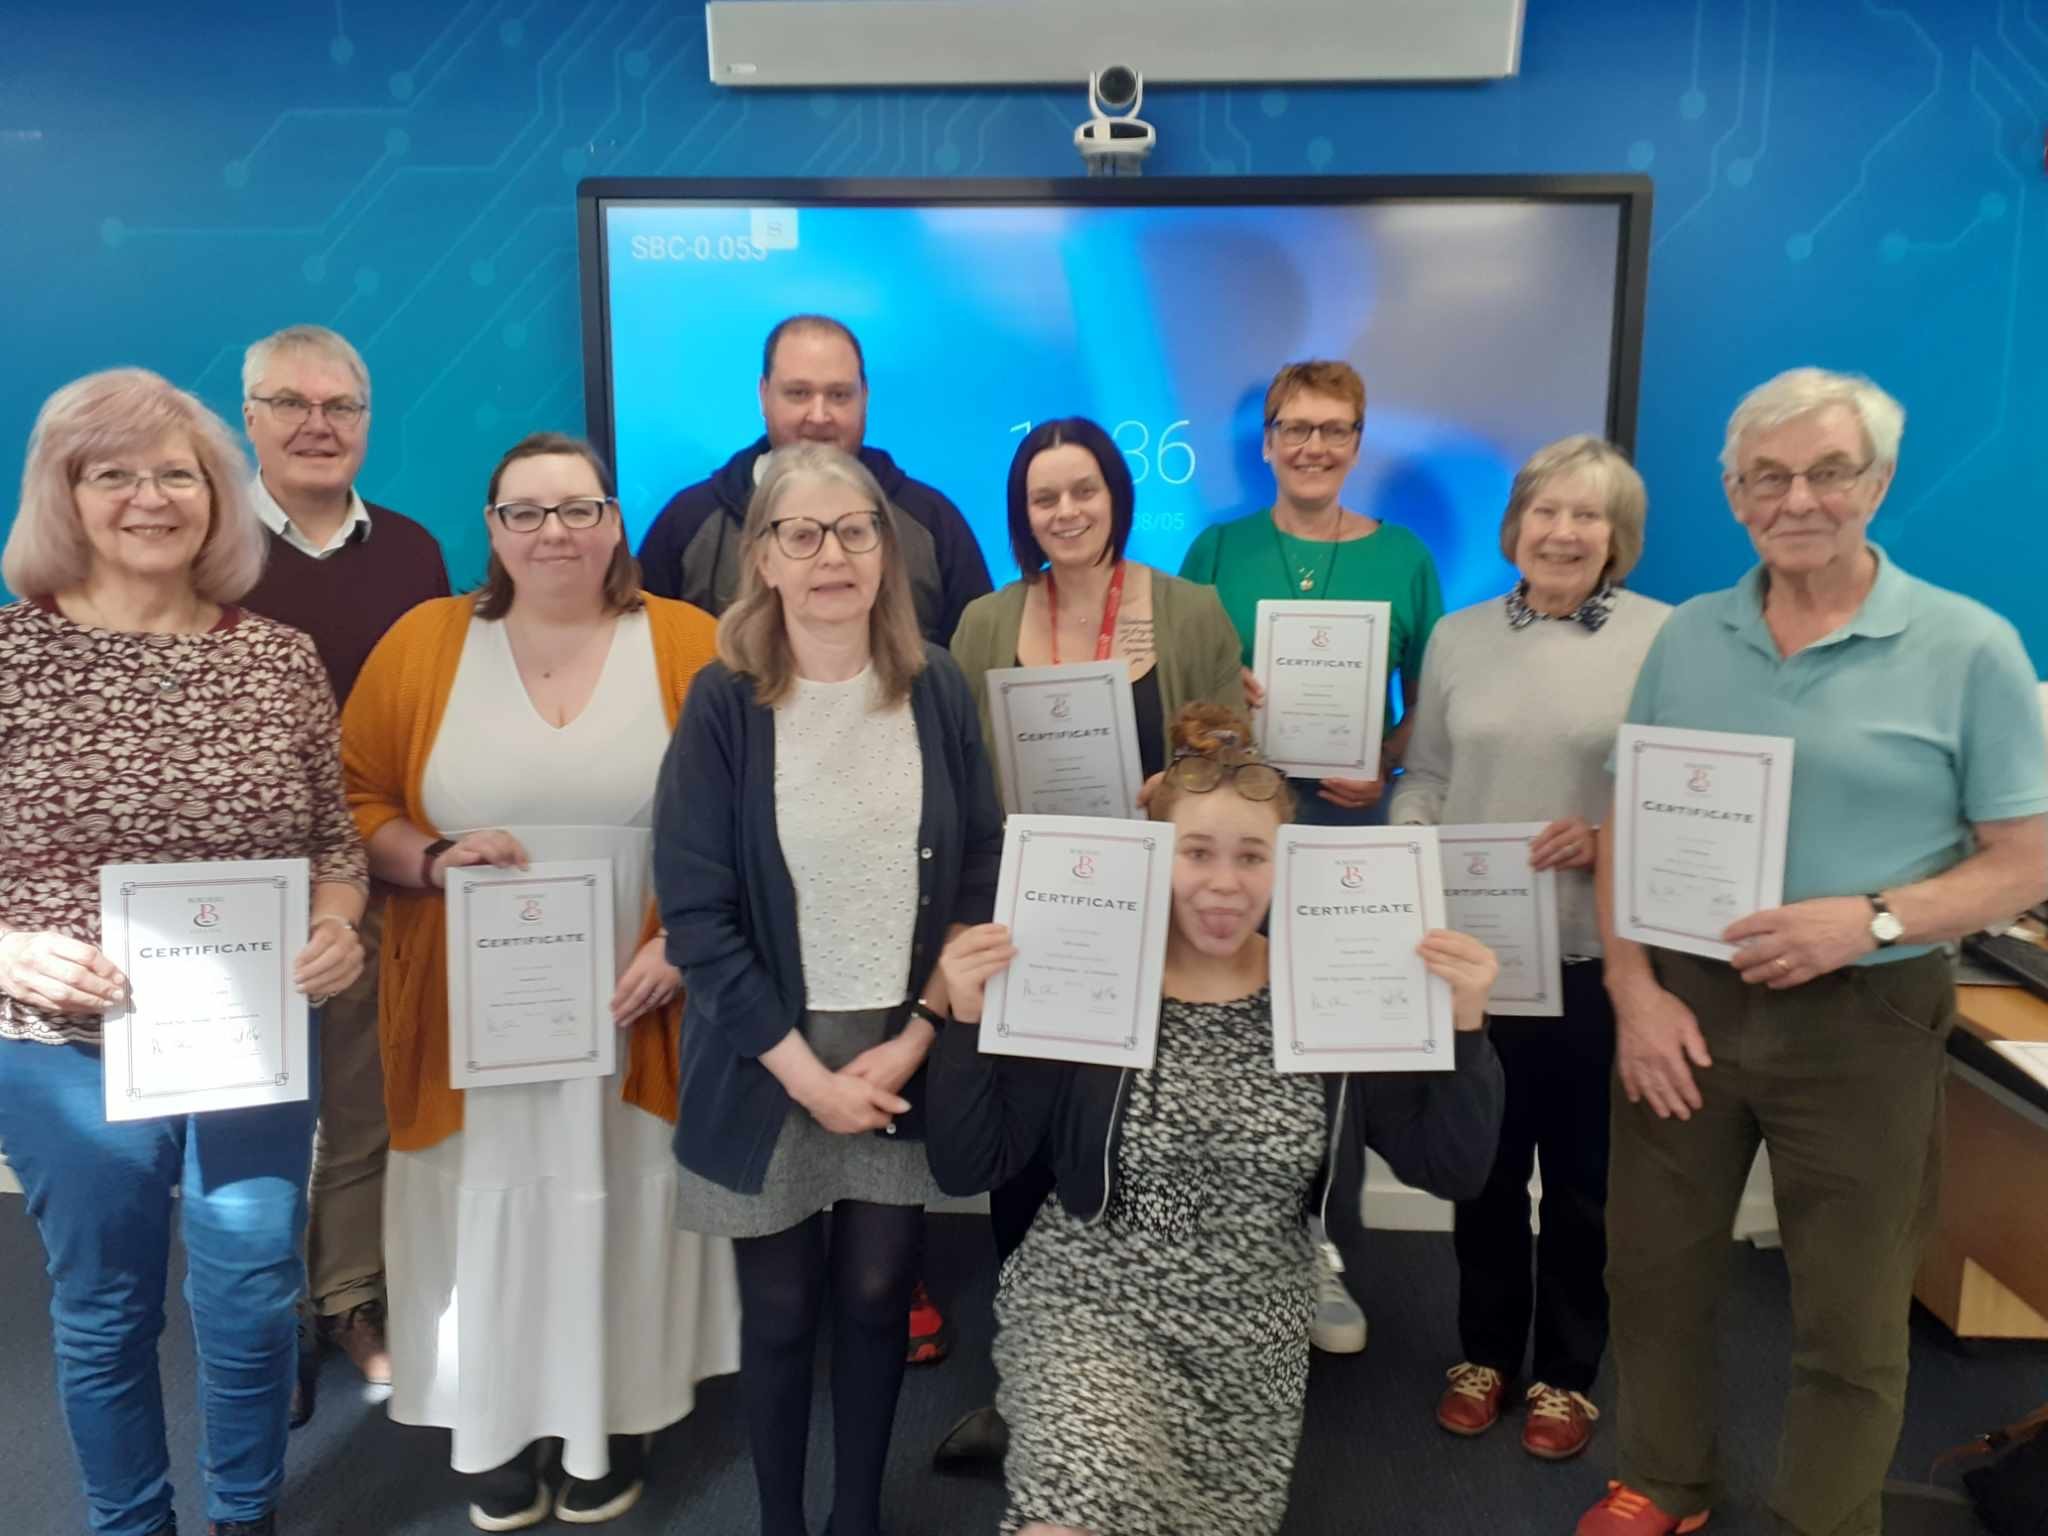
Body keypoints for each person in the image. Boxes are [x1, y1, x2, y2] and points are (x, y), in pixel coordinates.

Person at [1574, 369, 2048, 1536]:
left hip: (1863, 1017)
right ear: (1734, 495)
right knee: (1651, 1268)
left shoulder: (1966, 645)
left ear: (1875, 482)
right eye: (1767, 476)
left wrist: (1871, 918)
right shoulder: (1688, 636)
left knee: (1847, 1308)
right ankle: (1666, 1480)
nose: (1798, 499)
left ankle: (1822, 1518)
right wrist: (1631, 989)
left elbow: (2026, 858)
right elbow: (1627, 825)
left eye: (1827, 472)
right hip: (1684, 1005)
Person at [925, 702, 1506, 1536]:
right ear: (1158, 855)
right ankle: (1053, 1423)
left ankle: (1035, 1434)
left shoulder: (1326, 992)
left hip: (1254, 1314)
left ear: (1285, 865)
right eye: (1197, 853)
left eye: (1251, 856)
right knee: (1078, 1505)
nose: (1225, 883)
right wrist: (971, 1022)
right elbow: (969, 1165)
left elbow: (1450, 1169)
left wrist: (1467, 1028)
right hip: (1093, 1289)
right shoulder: (1099, 976)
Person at [340, 433, 740, 1530]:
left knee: (619, 1193)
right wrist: (425, 858)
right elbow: (359, 799)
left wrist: (685, 943)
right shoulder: (422, 644)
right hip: (468, 1008)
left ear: (615, 522)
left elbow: (744, 810)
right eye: (525, 512)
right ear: (493, 527)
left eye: (577, 509)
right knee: (483, 1197)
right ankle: (492, 1423)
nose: (552, 532)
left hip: (638, 997)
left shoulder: (691, 642)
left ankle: (609, 1416)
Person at [0, 368, 368, 1536]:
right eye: (113, 474)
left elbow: (335, 849)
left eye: (177, 474)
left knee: (255, 1292)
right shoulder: (10, 661)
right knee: (105, 1308)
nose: (150, 498)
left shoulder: (277, 659)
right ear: (65, 497)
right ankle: (130, 1524)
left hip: (250, 1036)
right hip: (65, 1047)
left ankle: (244, 1514)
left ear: (218, 496)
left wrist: (338, 930)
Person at [653, 442, 1004, 1536]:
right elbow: (699, 922)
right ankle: (778, 1522)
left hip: (899, 1048)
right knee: (781, 1307)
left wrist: (918, 1035)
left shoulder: (937, 684)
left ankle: (855, 1516)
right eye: (798, 534)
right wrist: (808, 1077)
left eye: (854, 531)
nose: (830, 555)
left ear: (886, 552)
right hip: (770, 1054)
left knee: (871, 1300)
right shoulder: (723, 704)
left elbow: (982, 862)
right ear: (761, 560)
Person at [933, 414, 1245, 1468]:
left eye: (1083, 491)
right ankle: (1026, 1388)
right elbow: (958, 776)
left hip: (1156, 935)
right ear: (1021, 515)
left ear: (1116, 492)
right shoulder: (982, 622)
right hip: (1032, 927)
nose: (1065, 512)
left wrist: (1179, 783)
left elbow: (1240, 768)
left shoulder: (1190, 608)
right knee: (1021, 1166)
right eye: (1042, 498)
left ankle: (1155, 1392)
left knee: (1141, 1157)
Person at [1388, 436, 1670, 1461]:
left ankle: (1565, 1374)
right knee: (1487, 1173)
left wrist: (1606, 842)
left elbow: (1681, 798)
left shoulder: (1664, 640)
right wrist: (1411, 836)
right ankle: (1483, 1353)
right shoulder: (1459, 637)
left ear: (1616, 538)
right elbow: (1420, 773)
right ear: (1514, 527)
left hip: (1595, 960)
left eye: (1585, 516)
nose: (1561, 532)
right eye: (1544, 512)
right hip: (1479, 962)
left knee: (1585, 1182)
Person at [1178, 357, 1446, 1353]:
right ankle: (1219, 1238)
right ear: (1266, 441)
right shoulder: (1215, 549)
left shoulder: (1404, 558)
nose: (1312, 446)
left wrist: (1378, 761)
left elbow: (1430, 695)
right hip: (1233, 844)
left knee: (1326, 1048)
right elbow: (1187, 699)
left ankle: (1323, 1251)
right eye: (1295, 427)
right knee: (1228, 1038)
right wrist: (1227, 712)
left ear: (1356, 443)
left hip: (1341, 833)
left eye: (1333, 430)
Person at [236, 323, 451, 1410]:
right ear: (250, 420)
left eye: (342, 407)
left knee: (365, 1104)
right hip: (229, 903)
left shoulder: (415, 554)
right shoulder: (203, 548)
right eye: (291, 403)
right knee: (253, 1120)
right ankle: (260, 1316)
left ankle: (347, 1295)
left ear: (367, 422)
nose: (318, 425)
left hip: (369, 881)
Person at [638, 312, 993, 646]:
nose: (819, 415)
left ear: (864, 398)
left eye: (838, 395)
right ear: (763, 395)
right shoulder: (687, 524)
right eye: (798, 393)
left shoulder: (933, 522)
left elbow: (971, 677)